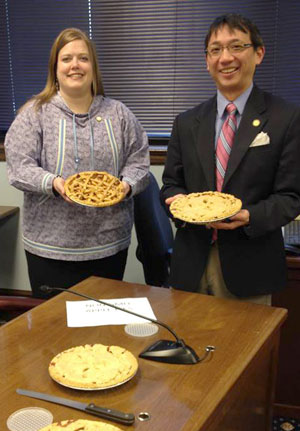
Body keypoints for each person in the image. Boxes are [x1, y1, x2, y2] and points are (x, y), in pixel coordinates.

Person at [160, 13, 300, 305]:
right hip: (190, 266)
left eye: (236, 46)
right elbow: (171, 184)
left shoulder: (286, 118)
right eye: (215, 50)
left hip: (251, 267)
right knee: (188, 345)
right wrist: (177, 204)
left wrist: (249, 216)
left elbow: (291, 196)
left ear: (259, 53)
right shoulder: (186, 122)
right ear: (207, 60)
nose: (225, 58)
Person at [5, 28, 149, 298]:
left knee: (102, 330)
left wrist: (127, 186)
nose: (75, 65)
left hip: (109, 245)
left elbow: (139, 161)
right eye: (67, 58)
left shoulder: (118, 113)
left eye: (83, 58)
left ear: (93, 67)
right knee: (56, 330)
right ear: (55, 68)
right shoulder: (34, 114)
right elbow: (18, 168)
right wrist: (54, 183)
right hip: (50, 249)